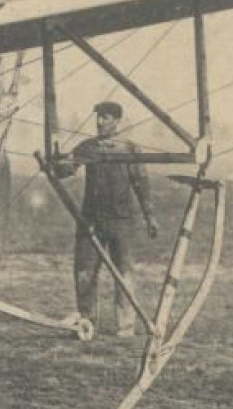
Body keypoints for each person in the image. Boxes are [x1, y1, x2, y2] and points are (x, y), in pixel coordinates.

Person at [55, 100, 159, 337]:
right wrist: (55, 164)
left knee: (124, 273)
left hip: (121, 221)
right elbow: (66, 170)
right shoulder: (87, 147)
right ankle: (86, 321)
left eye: (106, 117)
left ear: (117, 121)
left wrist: (150, 216)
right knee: (84, 272)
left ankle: (125, 326)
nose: (100, 122)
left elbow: (141, 183)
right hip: (90, 220)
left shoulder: (129, 149)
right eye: (99, 117)